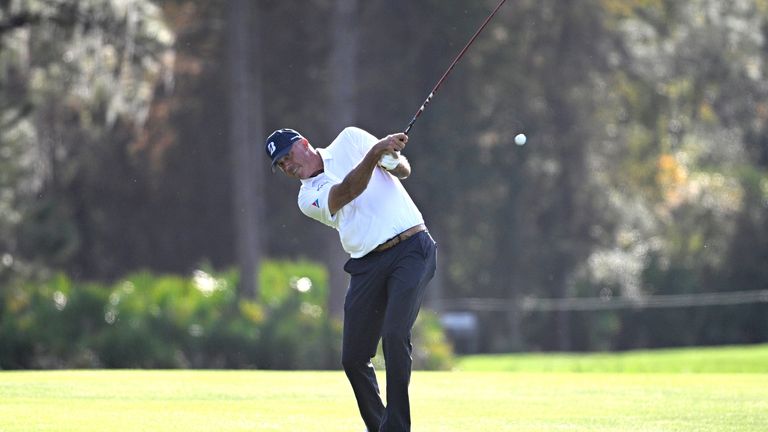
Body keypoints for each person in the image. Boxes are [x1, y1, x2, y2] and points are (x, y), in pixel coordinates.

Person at [264, 126, 437, 432]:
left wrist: (390, 155)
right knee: (353, 358)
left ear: (304, 143)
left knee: (395, 335)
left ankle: (396, 428)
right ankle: (380, 426)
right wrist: (375, 153)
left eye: (287, 155)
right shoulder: (307, 197)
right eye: (280, 164)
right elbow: (346, 192)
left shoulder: (350, 139)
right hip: (366, 264)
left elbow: (404, 170)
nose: (287, 166)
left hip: (412, 248)